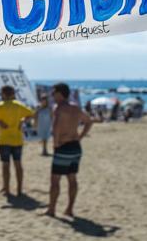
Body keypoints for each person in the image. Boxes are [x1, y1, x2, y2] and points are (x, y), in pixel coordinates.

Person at [45, 83, 93, 217]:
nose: (52, 95)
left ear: (60, 93)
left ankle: (51, 209)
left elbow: (56, 128)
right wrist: (80, 137)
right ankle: (70, 209)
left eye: (54, 92)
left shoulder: (58, 108)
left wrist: (55, 144)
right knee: (72, 178)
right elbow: (89, 121)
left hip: (63, 146)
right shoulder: (76, 108)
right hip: (75, 146)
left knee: (55, 180)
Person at [0, 85, 34, 196]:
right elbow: (31, 114)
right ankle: (19, 189)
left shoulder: (1, 105)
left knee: (5, 165)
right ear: (13, 94)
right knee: (18, 164)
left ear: (3, 94)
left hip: (4, 140)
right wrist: (22, 120)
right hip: (17, 139)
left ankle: (7, 189)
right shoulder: (18, 105)